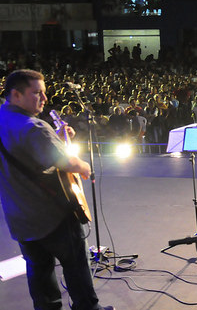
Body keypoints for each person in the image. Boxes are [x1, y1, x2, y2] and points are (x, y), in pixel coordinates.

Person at [0, 69, 114, 310]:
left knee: (39, 270)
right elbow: (67, 162)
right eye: (37, 93)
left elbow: (29, 155)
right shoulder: (34, 127)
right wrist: (84, 166)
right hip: (52, 215)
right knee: (76, 266)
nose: (43, 99)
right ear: (16, 94)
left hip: (19, 216)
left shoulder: (3, 118)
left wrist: (57, 139)